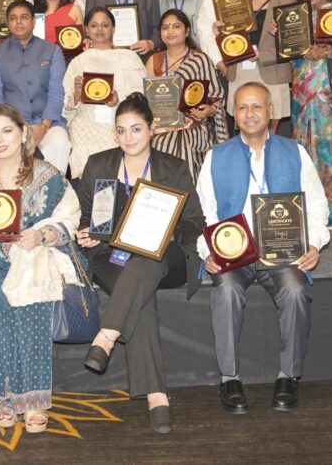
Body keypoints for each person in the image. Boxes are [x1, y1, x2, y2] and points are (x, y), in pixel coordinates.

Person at [196, 82, 329, 413]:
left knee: (295, 291)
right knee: (226, 290)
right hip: (234, 253)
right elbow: (203, 213)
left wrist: (314, 243)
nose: (250, 113)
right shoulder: (216, 156)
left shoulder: (295, 152)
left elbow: (316, 204)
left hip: (282, 250)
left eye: (257, 106)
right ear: (233, 114)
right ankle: (229, 377)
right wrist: (207, 251)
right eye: (242, 107)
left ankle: (288, 376)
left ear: (271, 111)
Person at [75, 93, 205, 434]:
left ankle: (107, 335)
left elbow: (196, 221)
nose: (128, 138)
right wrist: (88, 234)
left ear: (152, 129)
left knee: (147, 256)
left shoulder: (173, 168)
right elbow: (86, 217)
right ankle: (157, 396)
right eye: (121, 131)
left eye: (136, 129)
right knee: (140, 291)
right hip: (111, 256)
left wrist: (166, 231)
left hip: (167, 257)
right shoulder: (98, 164)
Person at [0, 104, 81, 433]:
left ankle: (33, 400)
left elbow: (70, 216)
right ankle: (0, 398)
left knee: (31, 300)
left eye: (6, 131)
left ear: (23, 133)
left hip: (33, 259)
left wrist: (42, 235)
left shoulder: (48, 176)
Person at [285, 0, 332, 228]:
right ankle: (311, 213)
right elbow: (288, 56)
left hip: (329, 95)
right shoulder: (294, 19)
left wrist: (325, 51)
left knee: (330, 151)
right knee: (304, 153)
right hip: (300, 96)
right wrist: (280, 35)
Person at [0, 0, 70, 174]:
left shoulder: (52, 50)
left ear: (34, 21)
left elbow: (56, 91)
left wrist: (44, 126)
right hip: (10, 123)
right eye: (13, 18)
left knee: (59, 141)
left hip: (48, 122)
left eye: (24, 17)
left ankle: (53, 187)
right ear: (8, 23)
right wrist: (12, 124)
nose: (19, 22)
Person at [61, 7, 146, 177]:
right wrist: (77, 93)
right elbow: (65, 110)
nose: (99, 29)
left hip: (120, 120)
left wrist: (119, 101)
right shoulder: (78, 62)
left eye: (105, 25)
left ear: (113, 29)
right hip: (85, 122)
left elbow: (143, 97)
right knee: (79, 135)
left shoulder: (129, 57)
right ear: (86, 29)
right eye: (94, 25)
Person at [144, 10, 227, 181]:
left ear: (187, 31)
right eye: (165, 27)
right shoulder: (154, 60)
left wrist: (209, 110)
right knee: (157, 144)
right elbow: (146, 99)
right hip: (160, 126)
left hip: (194, 125)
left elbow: (216, 98)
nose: (170, 31)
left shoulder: (200, 59)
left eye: (176, 26)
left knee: (180, 145)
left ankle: (186, 194)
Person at [216, 0, 292, 131]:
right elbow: (231, 41)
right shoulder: (237, 2)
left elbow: (292, 47)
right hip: (241, 71)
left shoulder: (286, 3)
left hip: (271, 73)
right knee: (245, 131)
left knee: (269, 134)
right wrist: (219, 33)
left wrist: (262, 55)